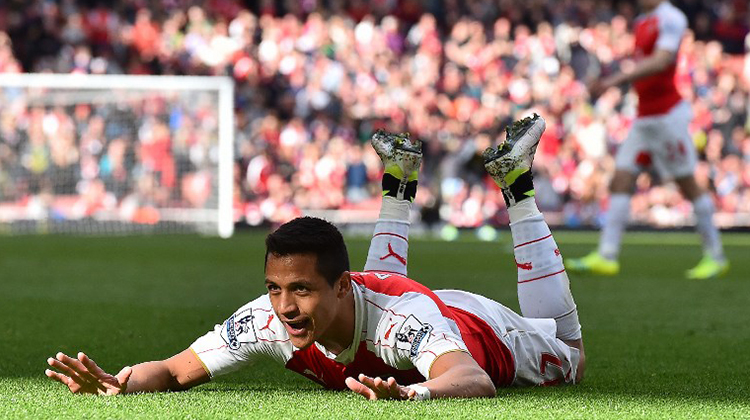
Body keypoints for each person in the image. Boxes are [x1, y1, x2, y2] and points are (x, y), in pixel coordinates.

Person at [45, 115, 585, 400]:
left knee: (574, 357)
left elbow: (473, 379)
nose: (284, 306)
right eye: (276, 288)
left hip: (482, 330)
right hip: (398, 308)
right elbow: (173, 369)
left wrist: (411, 396)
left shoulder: (403, 321)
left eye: (300, 289)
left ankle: (517, 187)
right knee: (383, 300)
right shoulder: (269, 318)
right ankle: (398, 184)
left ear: (337, 286)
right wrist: (120, 382)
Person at [566, 0, 728, 279]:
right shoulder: (642, 21)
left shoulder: (671, 18)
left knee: (687, 184)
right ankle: (607, 255)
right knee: (621, 178)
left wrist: (614, 81)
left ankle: (716, 256)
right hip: (644, 117)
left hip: (667, 116)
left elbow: (662, 61)